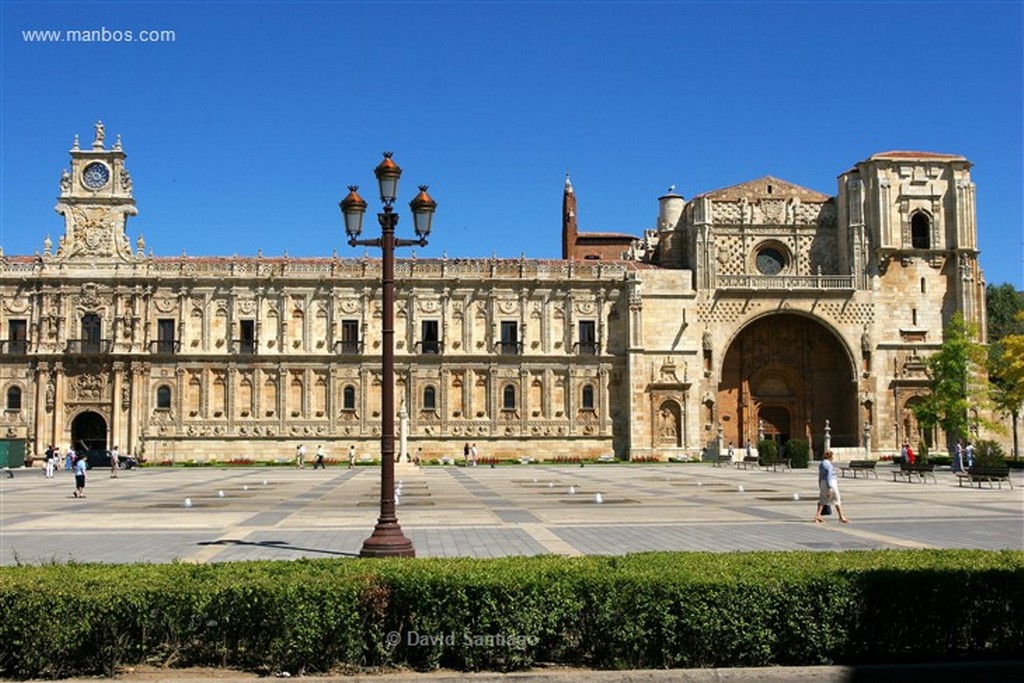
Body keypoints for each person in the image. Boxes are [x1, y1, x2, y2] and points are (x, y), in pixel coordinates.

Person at [814, 450, 849, 523]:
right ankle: (841, 516)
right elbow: (829, 476)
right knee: (837, 499)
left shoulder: (821, 464)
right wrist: (830, 487)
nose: (833, 458)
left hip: (823, 482)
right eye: (832, 456)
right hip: (830, 483)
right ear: (830, 457)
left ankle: (818, 515)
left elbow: (820, 476)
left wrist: (820, 484)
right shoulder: (829, 465)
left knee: (822, 500)